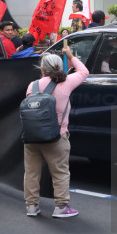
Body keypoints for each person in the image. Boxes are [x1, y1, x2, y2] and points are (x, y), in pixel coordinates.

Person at [24, 42, 89, 218]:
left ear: (42, 69)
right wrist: (70, 55)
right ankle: (61, 207)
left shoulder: (32, 86)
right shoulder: (66, 83)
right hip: (57, 136)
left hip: (31, 137)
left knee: (31, 173)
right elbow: (84, 72)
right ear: (60, 68)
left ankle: (32, 206)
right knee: (60, 172)